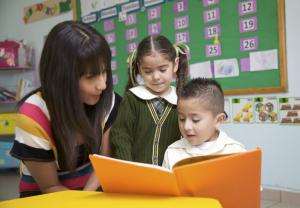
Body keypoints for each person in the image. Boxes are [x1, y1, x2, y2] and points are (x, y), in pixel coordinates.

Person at [10, 21, 121, 197]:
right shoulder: (33, 116)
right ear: (61, 78)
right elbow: (50, 187)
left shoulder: (107, 99)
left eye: (104, 71)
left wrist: (86, 197)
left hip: (90, 192)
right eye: (90, 76)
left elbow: (104, 163)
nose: (102, 84)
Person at [110, 35, 189, 166]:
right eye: (148, 71)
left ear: (175, 65)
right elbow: (121, 136)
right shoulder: (132, 98)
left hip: (170, 176)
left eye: (163, 69)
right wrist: (129, 169)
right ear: (139, 69)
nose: (156, 77)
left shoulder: (183, 100)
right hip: (137, 177)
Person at [162, 77, 246, 169]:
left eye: (195, 120)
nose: (186, 127)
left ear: (218, 120)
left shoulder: (236, 151)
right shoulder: (172, 152)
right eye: (182, 119)